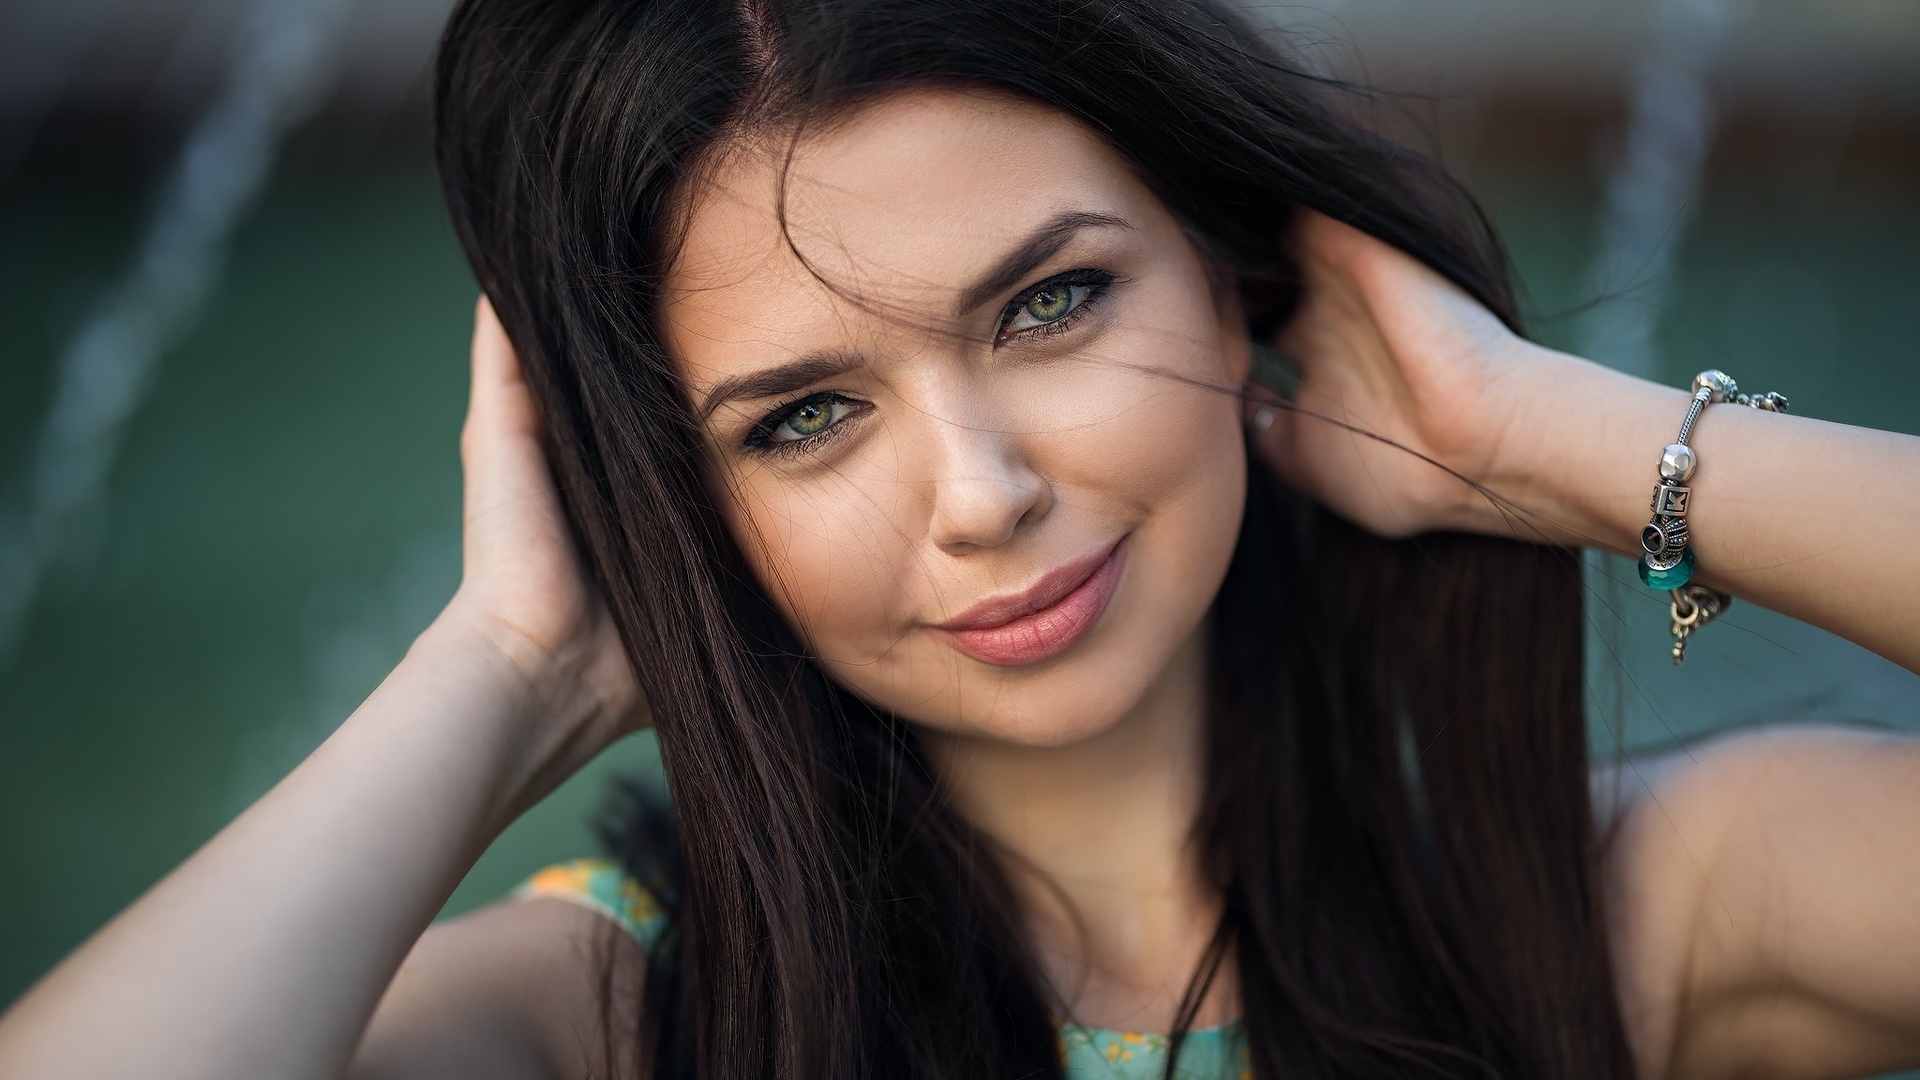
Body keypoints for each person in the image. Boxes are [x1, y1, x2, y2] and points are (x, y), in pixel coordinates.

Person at [3, 0, 1919, 1077]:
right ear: (686, 498)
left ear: (1235, 266)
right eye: (804, 418)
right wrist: (505, 664)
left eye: (1052, 305)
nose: (984, 490)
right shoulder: (619, 1022)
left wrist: (1556, 441)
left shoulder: (1629, 915)